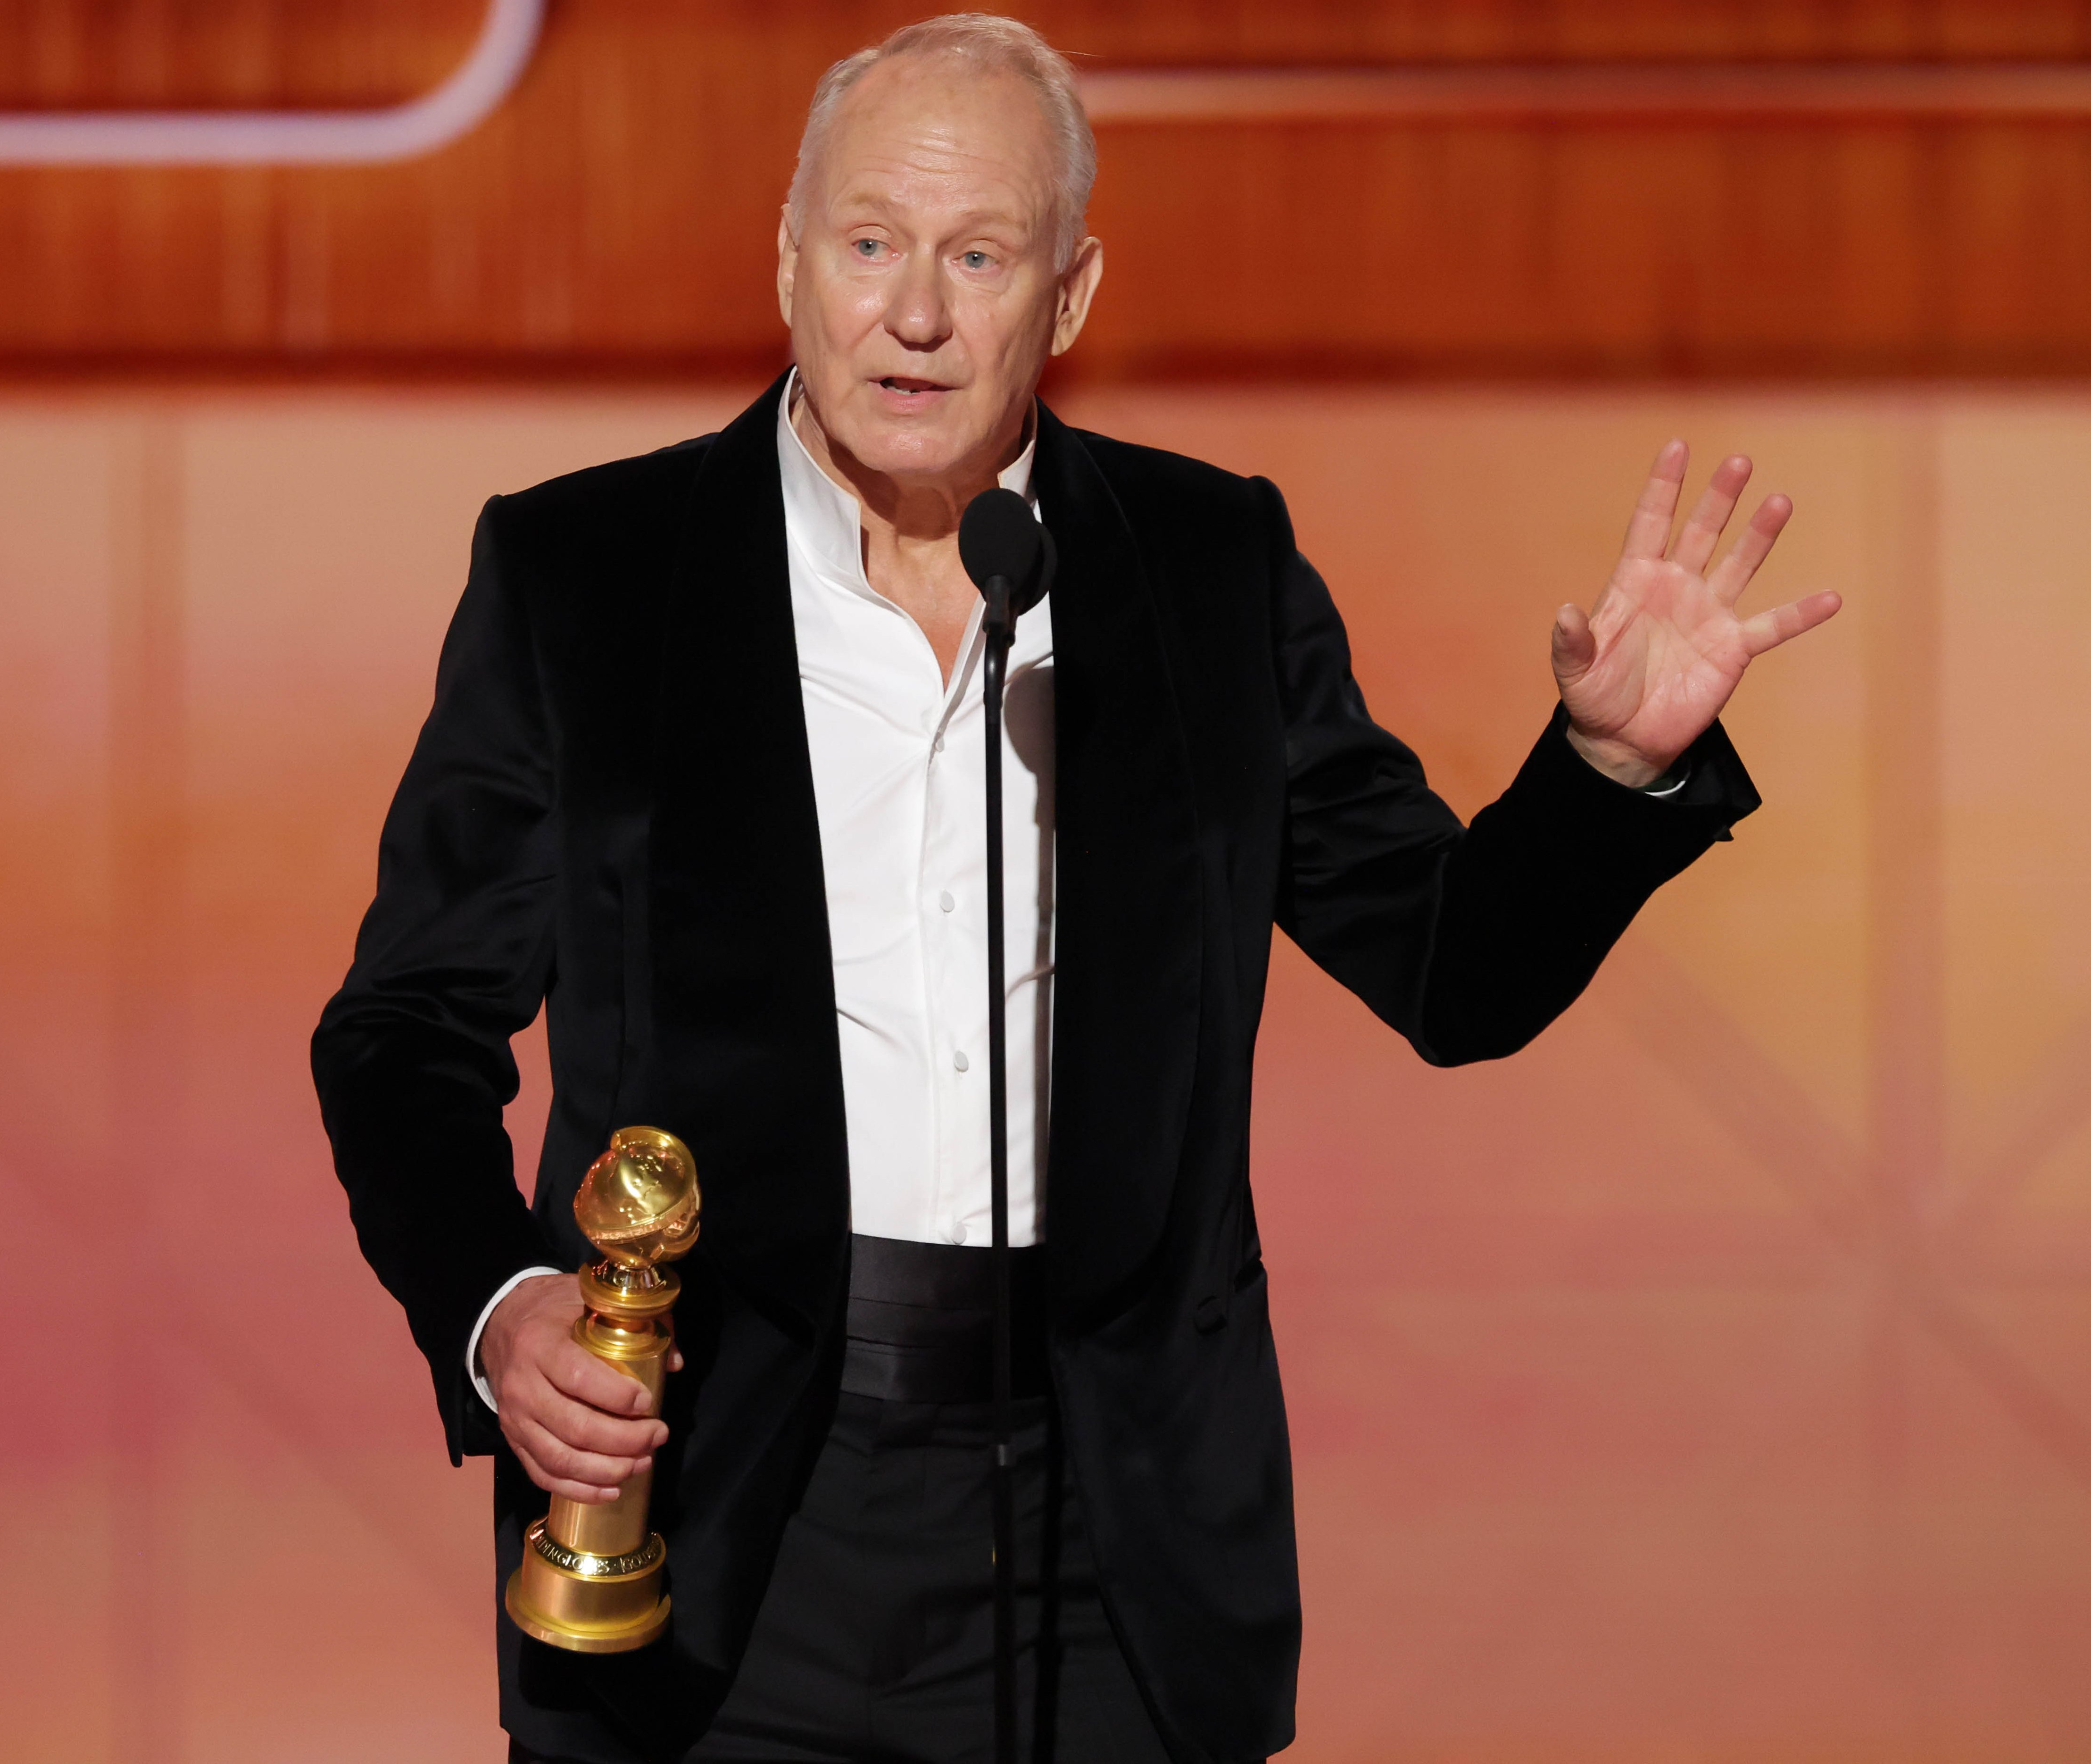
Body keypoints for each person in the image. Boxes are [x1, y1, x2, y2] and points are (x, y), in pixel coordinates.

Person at [312, 14, 1840, 1764]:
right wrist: (500, 1311)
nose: (915, 312)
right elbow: (406, 1030)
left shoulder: (1202, 568)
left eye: (979, 255)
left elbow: (1452, 973)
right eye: (870, 241)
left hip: (1106, 1529)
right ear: (789, 258)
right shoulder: (583, 571)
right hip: (717, 1509)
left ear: (1071, 295)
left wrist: (1605, 770)